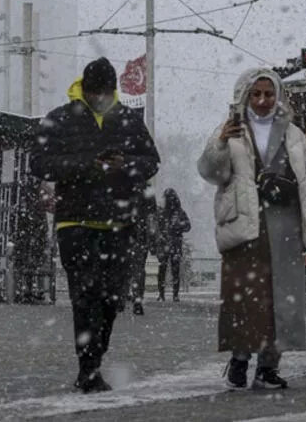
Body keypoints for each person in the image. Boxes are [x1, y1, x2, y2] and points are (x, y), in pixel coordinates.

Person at [198, 68, 306, 390]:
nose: (262, 101)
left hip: (285, 224)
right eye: (256, 94)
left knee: (281, 299)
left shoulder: (294, 134)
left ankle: (268, 366)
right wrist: (220, 144)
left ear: (278, 96)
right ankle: (239, 359)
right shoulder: (230, 132)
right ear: (245, 96)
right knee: (245, 297)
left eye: (268, 94)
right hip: (245, 226)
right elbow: (212, 173)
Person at [30, 57, 160, 393]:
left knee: (111, 299)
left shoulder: (128, 120)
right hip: (76, 221)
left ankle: (95, 355)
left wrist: (125, 164)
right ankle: (88, 368)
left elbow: (151, 162)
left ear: (113, 90)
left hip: (120, 222)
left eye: (105, 92)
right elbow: (39, 163)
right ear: (84, 89)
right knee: (85, 296)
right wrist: (88, 165)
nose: (100, 98)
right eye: (94, 92)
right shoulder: (60, 118)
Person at [156, 187, 191, 302]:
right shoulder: (164, 212)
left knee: (168, 269)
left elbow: (188, 226)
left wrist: (178, 226)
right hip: (168, 243)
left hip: (172, 244)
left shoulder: (177, 212)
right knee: (166, 269)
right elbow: (156, 228)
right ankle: (166, 294)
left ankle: (170, 295)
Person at [129, 189, 157, 315]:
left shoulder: (119, 183)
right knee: (138, 268)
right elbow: (152, 220)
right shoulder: (147, 191)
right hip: (140, 236)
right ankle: (137, 298)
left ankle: (122, 296)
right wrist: (152, 240)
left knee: (121, 267)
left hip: (122, 234)